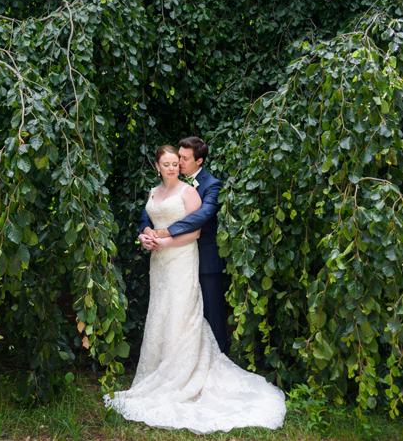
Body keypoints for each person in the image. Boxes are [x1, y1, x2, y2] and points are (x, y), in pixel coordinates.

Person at [104, 145, 285, 433]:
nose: (173, 167)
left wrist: (162, 239)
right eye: (167, 163)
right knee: (161, 310)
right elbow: (147, 219)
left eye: (176, 162)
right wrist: (145, 237)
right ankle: (158, 369)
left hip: (181, 257)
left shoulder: (190, 192)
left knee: (182, 310)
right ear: (157, 166)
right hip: (159, 262)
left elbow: (196, 229)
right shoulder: (153, 192)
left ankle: (183, 372)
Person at [139, 136, 228, 353]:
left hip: (203, 256)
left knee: (211, 312)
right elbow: (150, 212)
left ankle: (218, 358)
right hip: (170, 259)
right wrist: (144, 232)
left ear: (199, 161)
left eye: (184, 159)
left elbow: (203, 214)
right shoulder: (166, 184)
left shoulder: (211, 184)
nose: (178, 163)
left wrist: (166, 232)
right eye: (177, 157)